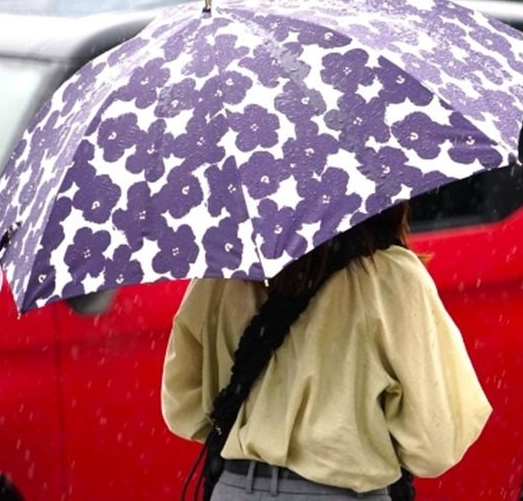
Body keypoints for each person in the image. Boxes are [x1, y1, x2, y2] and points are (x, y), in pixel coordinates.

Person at [161, 201, 492, 500]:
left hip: (235, 489)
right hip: (341, 492)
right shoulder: (391, 277)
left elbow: (183, 407)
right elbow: (436, 442)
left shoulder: (221, 275)